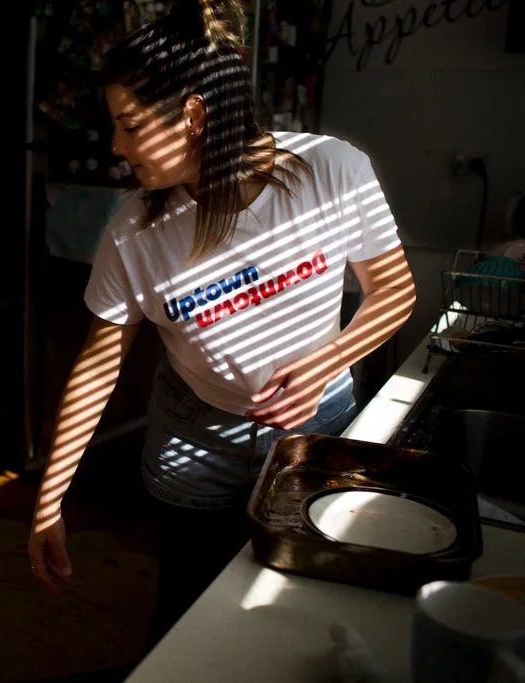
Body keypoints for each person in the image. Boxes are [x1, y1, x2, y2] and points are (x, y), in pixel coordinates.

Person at [27, 0, 416, 651]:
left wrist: (321, 364)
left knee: (301, 607)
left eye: (128, 125)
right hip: (192, 432)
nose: (116, 147)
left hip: (314, 426)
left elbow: (395, 293)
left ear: (195, 115)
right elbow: (99, 365)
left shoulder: (331, 170)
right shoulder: (135, 229)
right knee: (187, 608)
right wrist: (49, 499)